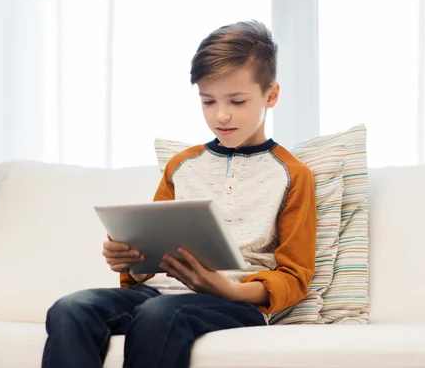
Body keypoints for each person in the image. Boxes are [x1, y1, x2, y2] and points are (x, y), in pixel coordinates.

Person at [41, 20, 317, 368]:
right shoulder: (181, 165)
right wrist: (132, 260)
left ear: (271, 95)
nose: (222, 114)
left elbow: (294, 276)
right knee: (71, 308)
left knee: (160, 314)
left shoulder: (292, 174)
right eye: (208, 101)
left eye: (237, 100)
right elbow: (149, 259)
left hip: (234, 303)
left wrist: (228, 289)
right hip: (158, 293)